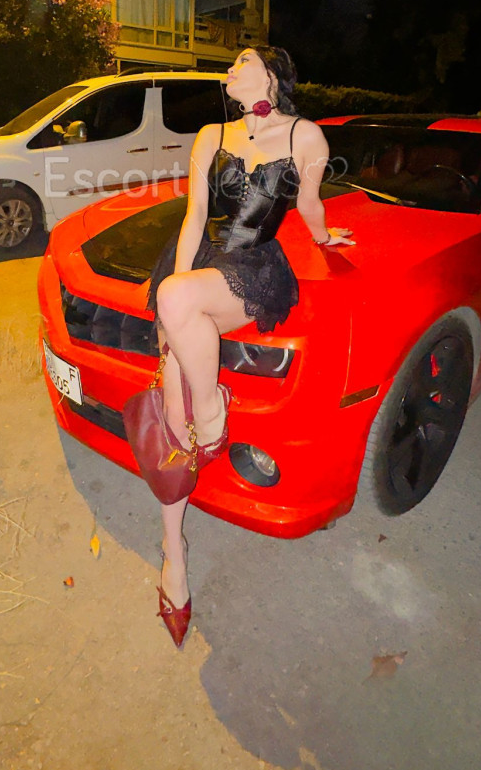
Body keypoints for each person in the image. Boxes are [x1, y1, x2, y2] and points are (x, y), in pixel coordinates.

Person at [146, 45, 355, 646]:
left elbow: (309, 204)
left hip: (254, 268)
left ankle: (214, 411)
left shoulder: (305, 135)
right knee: (172, 400)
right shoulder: (210, 134)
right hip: (196, 269)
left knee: (185, 358)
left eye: (242, 61)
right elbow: (194, 218)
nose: (230, 70)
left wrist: (325, 236)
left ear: (272, 75)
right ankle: (174, 553)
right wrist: (173, 294)